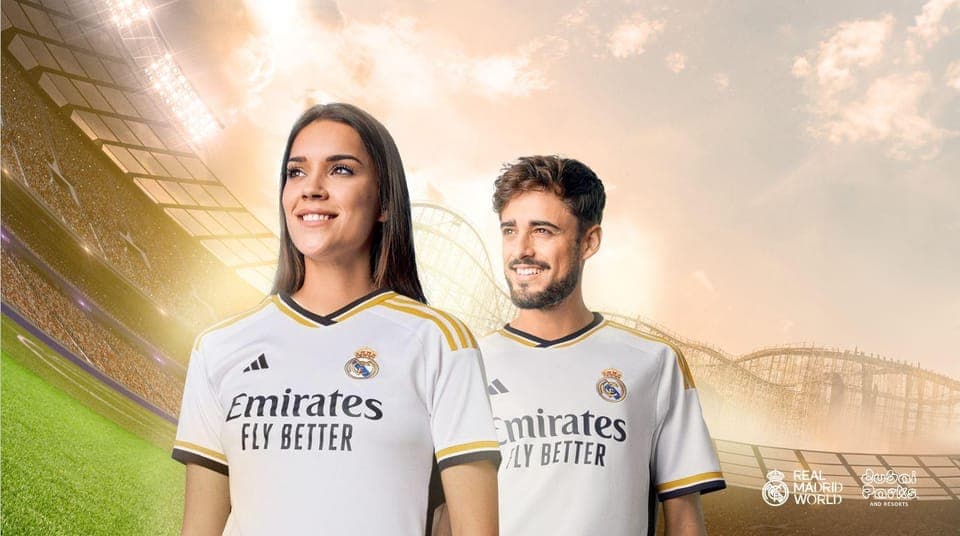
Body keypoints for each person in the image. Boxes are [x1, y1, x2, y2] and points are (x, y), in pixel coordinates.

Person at [172, 103, 500, 536]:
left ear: (385, 202)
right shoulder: (219, 346)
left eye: (340, 170)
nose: (312, 188)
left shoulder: (440, 342)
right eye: (296, 172)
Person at [480, 155, 725, 535]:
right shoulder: (466, 364)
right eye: (510, 230)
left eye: (542, 231)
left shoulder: (653, 362)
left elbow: (684, 519)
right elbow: (444, 511)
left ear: (589, 241)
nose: (521, 249)